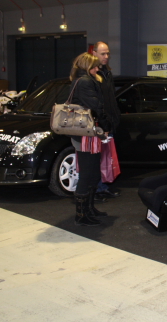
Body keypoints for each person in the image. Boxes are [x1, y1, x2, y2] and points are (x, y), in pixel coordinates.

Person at [69, 52, 111, 226]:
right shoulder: (86, 82)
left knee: (92, 172)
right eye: (94, 67)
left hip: (85, 133)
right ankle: (81, 214)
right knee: (87, 173)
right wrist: (106, 127)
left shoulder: (81, 80)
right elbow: (96, 106)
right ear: (87, 67)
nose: (97, 69)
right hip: (85, 134)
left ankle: (89, 209)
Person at [92, 41, 122, 200]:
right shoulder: (92, 76)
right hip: (99, 124)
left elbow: (111, 99)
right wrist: (103, 124)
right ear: (94, 53)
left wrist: (114, 118)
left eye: (108, 53)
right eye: (103, 53)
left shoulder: (107, 73)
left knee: (106, 158)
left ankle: (102, 187)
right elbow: (96, 104)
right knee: (98, 158)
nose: (106, 56)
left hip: (109, 122)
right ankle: (96, 189)